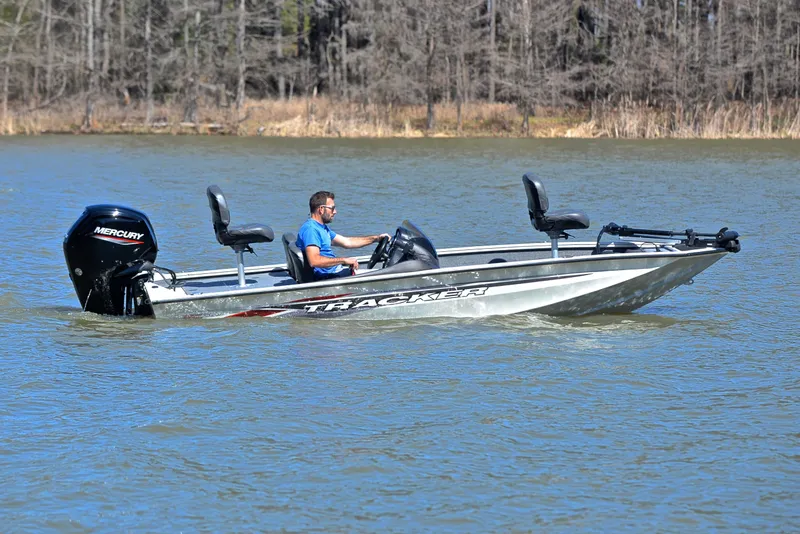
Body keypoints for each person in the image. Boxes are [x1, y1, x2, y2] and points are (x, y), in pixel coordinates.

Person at [296, 191, 390, 280]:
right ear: (321, 209)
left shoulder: (321, 228)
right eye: (332, 208)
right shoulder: (311, 230)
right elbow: (314, 261)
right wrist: (344, 260)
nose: (335, 212)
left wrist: (376, 238)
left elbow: (347, 242)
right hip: (329, 278)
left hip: (335, 272)